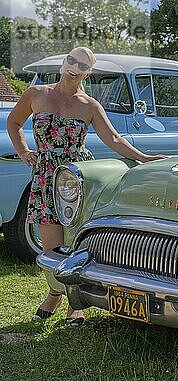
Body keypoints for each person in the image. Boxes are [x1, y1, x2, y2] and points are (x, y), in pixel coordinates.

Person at [7, 46, 166, 326]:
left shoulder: (90, 105)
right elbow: (14, 122)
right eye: (71, 60)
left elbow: (114, 139)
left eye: (82, 65)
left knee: (77, 243)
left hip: (76, 177)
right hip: (45, 175)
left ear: (87, 72)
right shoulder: (36, 94)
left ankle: (73, 302)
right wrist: (23, 152)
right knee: (52, 248)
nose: (74, 67)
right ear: (63, 62)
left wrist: (143, 157)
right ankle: (55, 293)